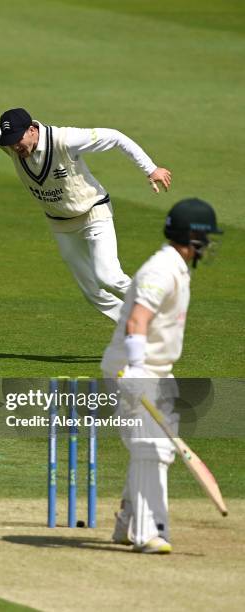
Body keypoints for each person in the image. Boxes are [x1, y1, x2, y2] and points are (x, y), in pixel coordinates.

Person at [0, 88, 172, 322]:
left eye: (18, 140)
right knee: (92, 292)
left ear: (32, 130)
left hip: (94, 213)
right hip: (60, 224)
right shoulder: (11, 143)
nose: (14, 147)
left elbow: (115, 137)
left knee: (108, 276)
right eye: (9, 141)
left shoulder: (65, 139)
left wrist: (150, 169)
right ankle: (134, 327)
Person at [101, 198, 223, 553]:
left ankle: (126, 523)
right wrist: (137, 370)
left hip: (155, 369)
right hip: (133, 369)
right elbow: (138, 319)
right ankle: (148, 532)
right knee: (150, 446)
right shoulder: (161, 270)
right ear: (194, 238)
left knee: (153, 447)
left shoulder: (176, 267)